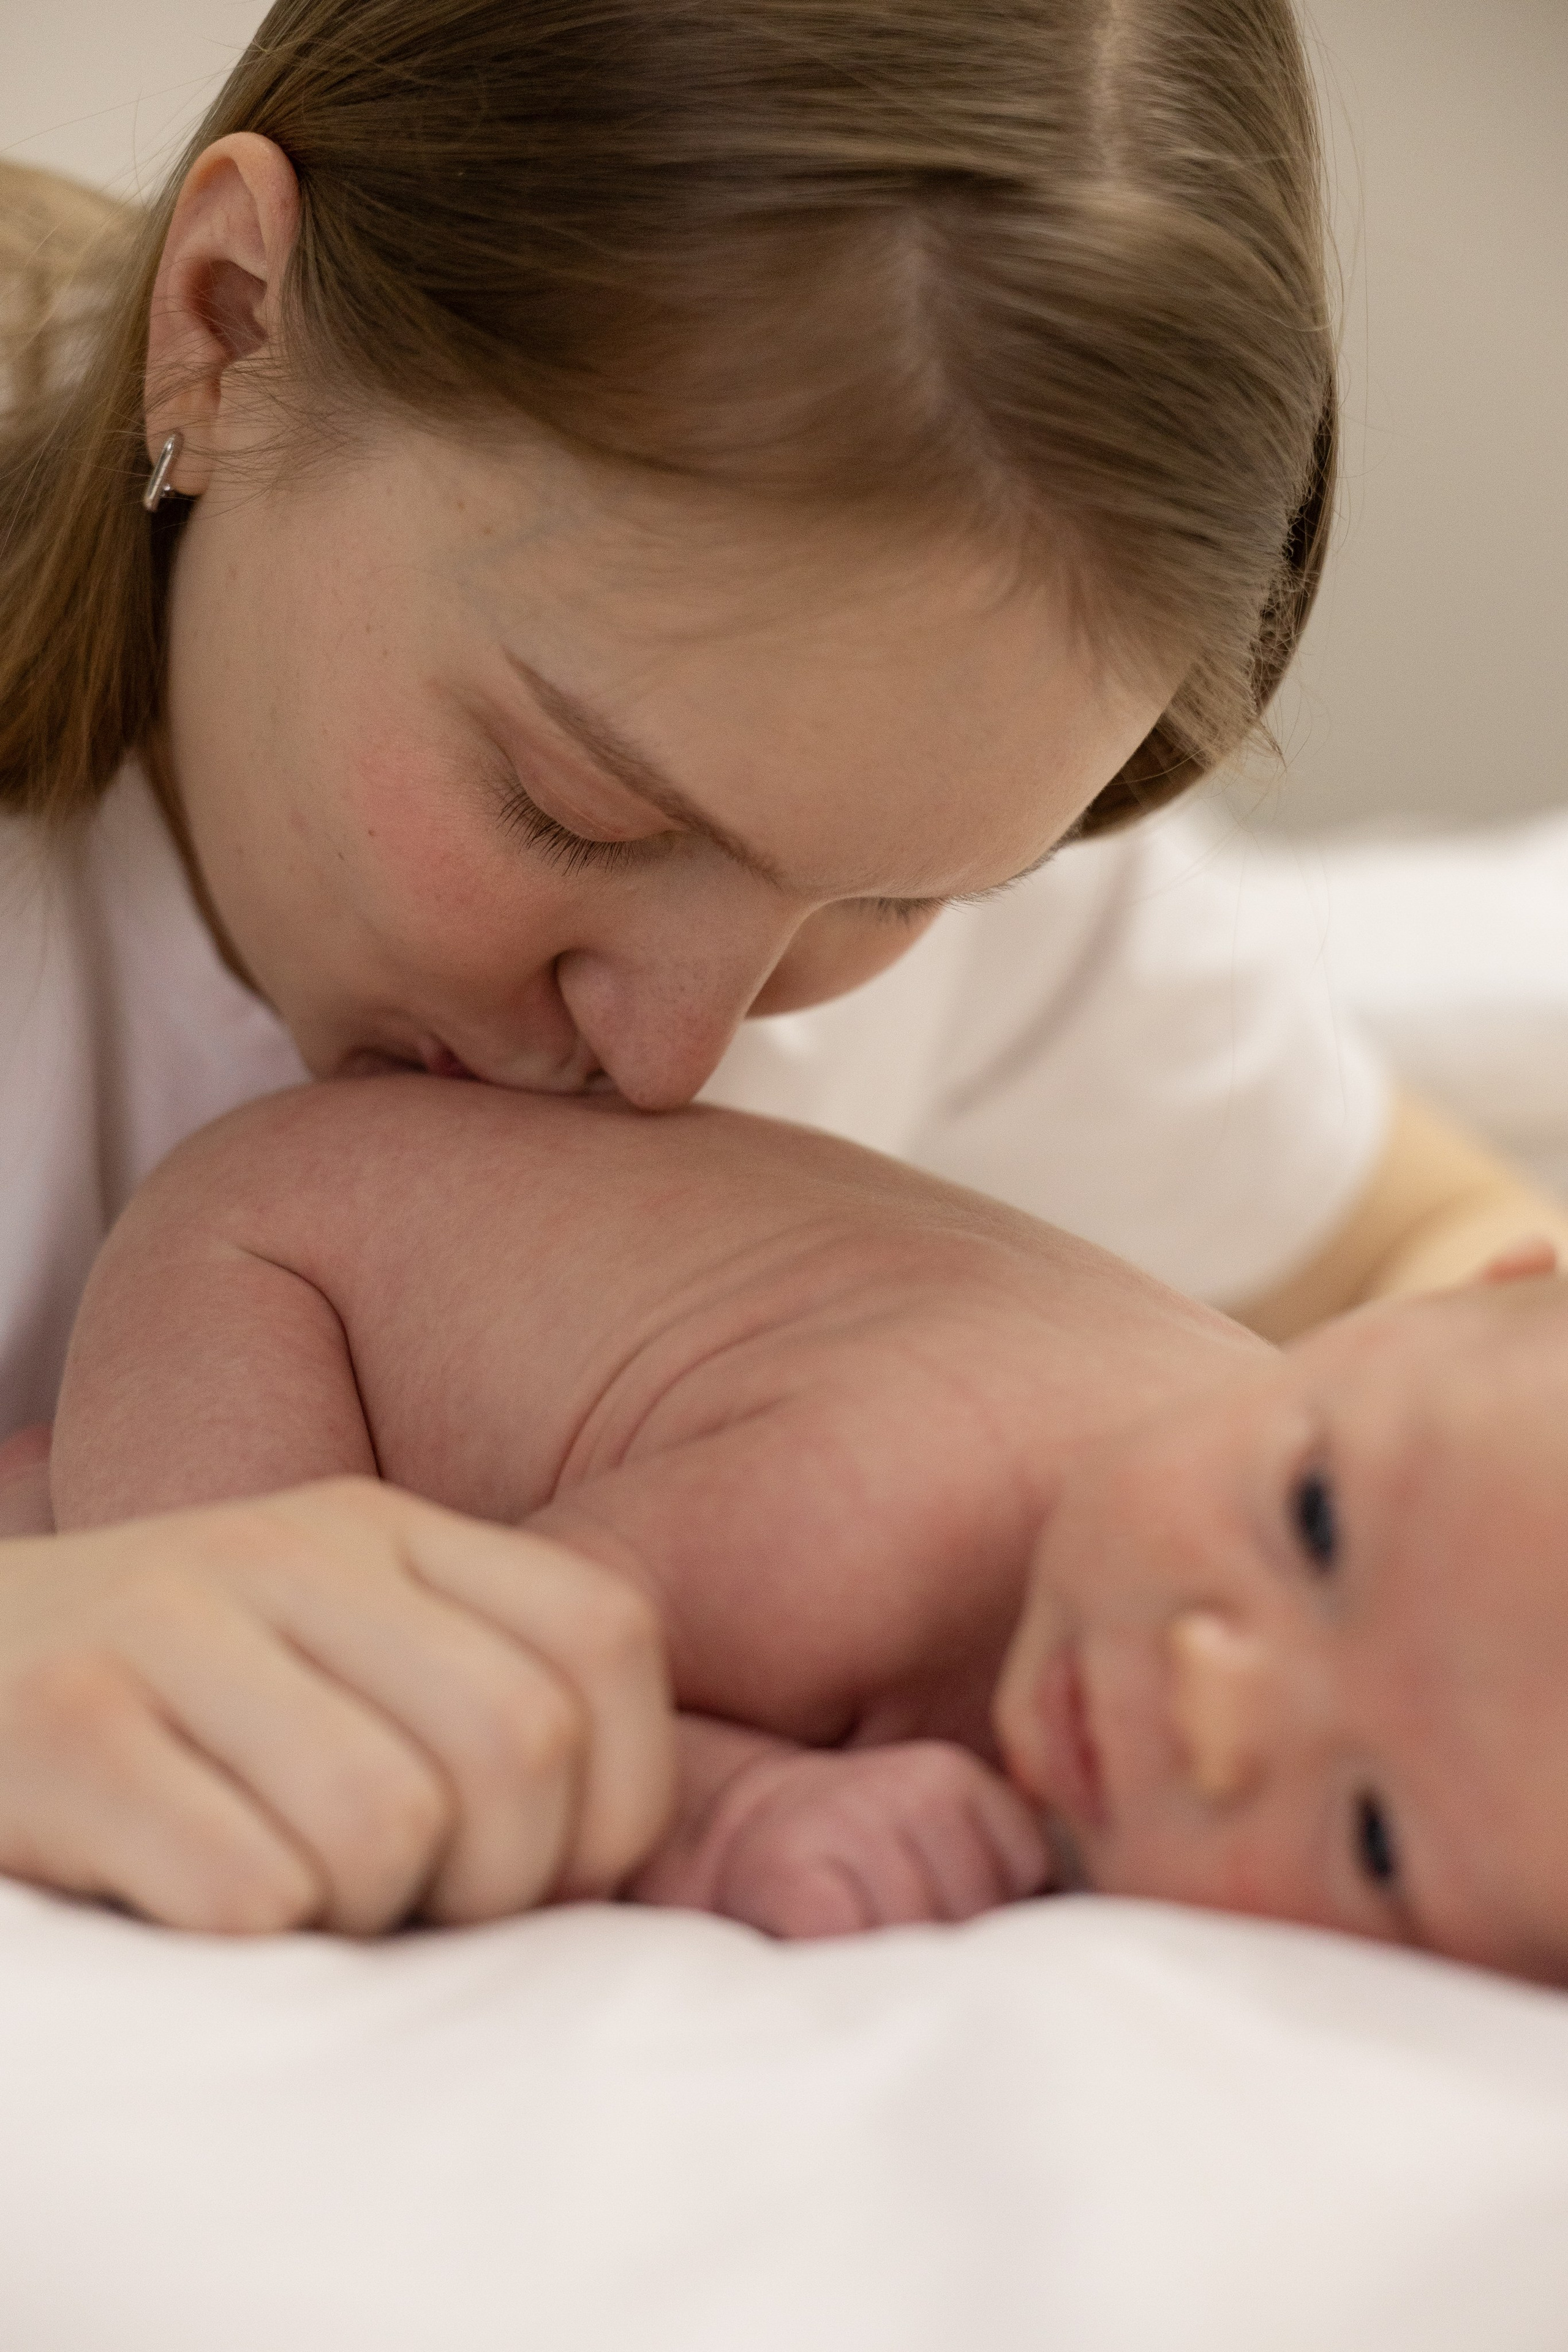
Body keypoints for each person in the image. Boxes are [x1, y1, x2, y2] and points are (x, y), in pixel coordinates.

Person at [2, 2, 1566, 1916]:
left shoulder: (961, 817)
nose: (678, 1060)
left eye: (893, 901)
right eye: (579, 806)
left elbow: (1439, 1270)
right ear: (231, 325)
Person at [20, 1075, 1568, 1990]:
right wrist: (736, 1811)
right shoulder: (878, 1509)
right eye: (1310, 1523)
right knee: (304, 1708)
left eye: (1371, 1835)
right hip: (275, 1272)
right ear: (1447, 1302)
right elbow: (519, 1664)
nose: (1213, 1698)